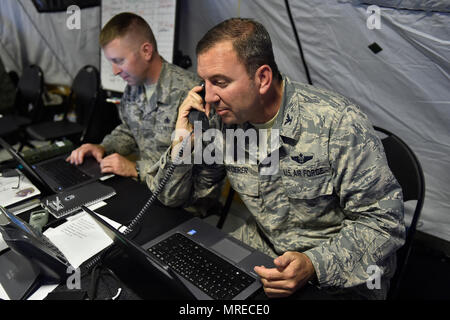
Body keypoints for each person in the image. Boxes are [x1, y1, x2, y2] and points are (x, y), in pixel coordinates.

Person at [154, 18, 405, 299]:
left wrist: (314, 265)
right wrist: (181, 143)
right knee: (177, 285)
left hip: (338, 269)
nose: (209, 96)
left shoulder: (338, 124)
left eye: (220, 82)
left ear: (262, 78)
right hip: (264, 247)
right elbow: (183, 199)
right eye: (204, 82)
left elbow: (384, 222)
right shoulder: (222, 122)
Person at [66, 12, 200, 194]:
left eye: (119, 61)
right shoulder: (134, 86)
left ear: (146, 51)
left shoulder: (190, 93)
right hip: (146, 185)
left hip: (180, 198)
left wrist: (136, 169)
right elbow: (130, 130)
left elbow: (196, 166)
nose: (114, 71)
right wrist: (103, 147)